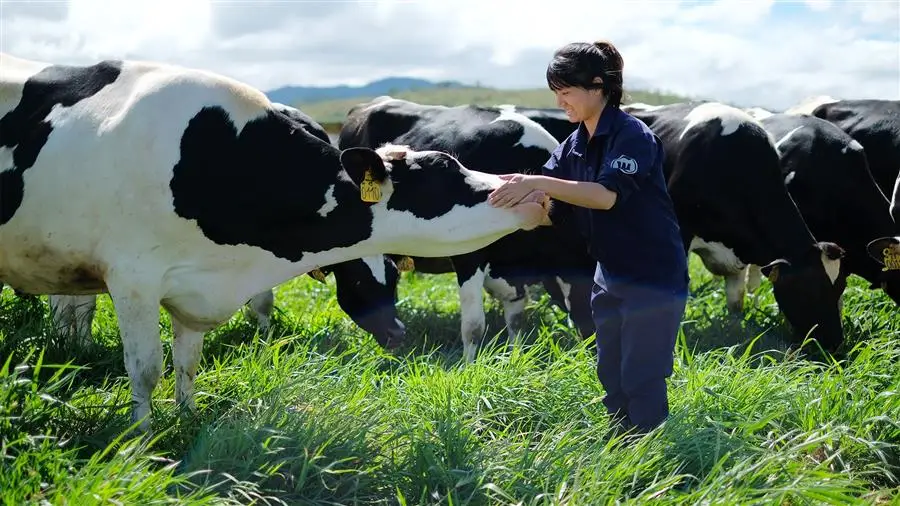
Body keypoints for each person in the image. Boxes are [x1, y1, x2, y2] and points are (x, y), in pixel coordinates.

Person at [488, 40, 689, 438]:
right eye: (556, 94)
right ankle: (620, 446)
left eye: (566, 92)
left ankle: (653, 461)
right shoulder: (573, 144)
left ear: (598, 86)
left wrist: (536, 181)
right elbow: (549, 207)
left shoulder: (632, 136)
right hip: (609, 273)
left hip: (652, 275)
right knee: (609, 372)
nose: (561, 102)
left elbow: (604, 197)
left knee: (640, 375)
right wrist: (508, 210)